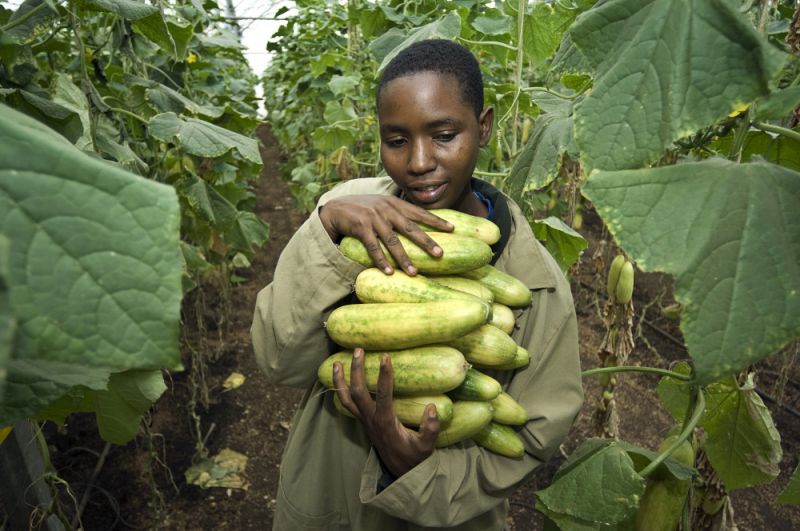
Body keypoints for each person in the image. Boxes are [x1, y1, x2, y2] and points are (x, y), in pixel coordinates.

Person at [251, 39, 583, 531]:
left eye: (444, 134)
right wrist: (327, 225)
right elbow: (279, 361)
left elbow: (529, 440)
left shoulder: (537, 282)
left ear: (484, 126)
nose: (419, 161)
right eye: (396, 140)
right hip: (327, 494)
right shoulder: (346, 212)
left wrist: (414, 468)